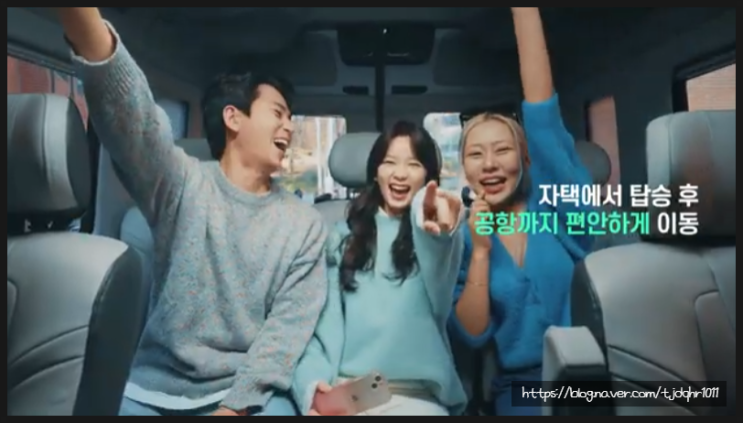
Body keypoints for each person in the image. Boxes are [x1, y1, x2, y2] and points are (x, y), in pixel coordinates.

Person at [56, 8, 328, 416]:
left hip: (246, 394)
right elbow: (136, 122)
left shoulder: (304, 224)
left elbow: (286, 331)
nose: (289, 127)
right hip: (151, 388)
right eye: (278, 113)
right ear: (233, 117)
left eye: (291, 117)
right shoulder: (183, 183)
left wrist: (235, 407)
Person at [449, 7, 594, 416]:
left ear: (526, 158)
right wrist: (480, 251)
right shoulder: (461, 239)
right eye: (476, 155)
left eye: (502, 150)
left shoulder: (557, 209)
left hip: (588, 379)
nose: (489, 164)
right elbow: (472, 334)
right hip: (519, 390)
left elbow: (543, 117)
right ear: (465, 170)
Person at [291, 121, 468, 416]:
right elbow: (319, 330)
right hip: (351, 394)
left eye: (413, 164)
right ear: (376, 171)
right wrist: (312, 388)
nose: (400, 173)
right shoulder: (341, 238)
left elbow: (440, 268)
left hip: (417, 398)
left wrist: (441, 230)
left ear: (428, 176)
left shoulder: (437, 235)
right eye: (389, 162)